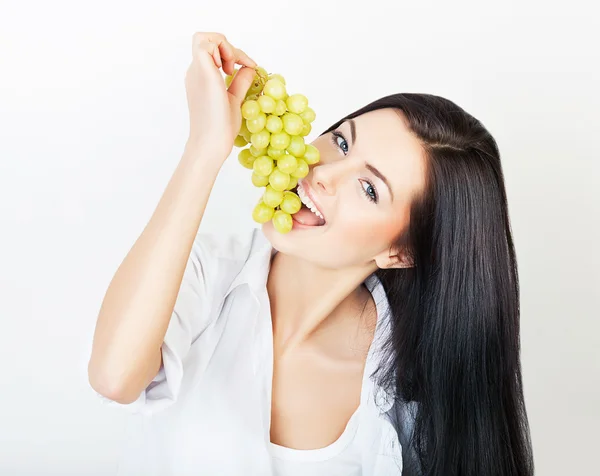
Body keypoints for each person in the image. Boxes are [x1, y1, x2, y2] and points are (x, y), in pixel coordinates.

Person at [88, 32, 535, 476]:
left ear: (400, 252)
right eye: (342, 142)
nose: (322, 172)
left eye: (368, 188)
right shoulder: (206, 273)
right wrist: (204, 150)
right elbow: (115, 377)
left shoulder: (412, 388)